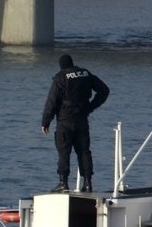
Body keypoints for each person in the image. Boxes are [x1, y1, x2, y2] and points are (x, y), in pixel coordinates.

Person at [41, 54, 110, 193]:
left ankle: (63, 183)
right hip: (82, 120)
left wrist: (45, 122)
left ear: (61, 66)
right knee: (84, 152)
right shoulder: (85, 73)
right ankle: (88, 183)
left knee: (64, 153)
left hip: (65, 121)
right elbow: (104, 90)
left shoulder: (60, 78)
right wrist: (90, 107)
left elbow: (52, 102)